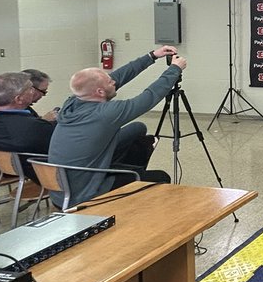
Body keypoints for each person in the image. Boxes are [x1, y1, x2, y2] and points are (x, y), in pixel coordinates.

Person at [47, 46, 185, 207]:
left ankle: (124, 172)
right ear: (99, 91)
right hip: (83, 195)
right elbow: (149, 97)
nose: (114, 81)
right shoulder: (105, 113)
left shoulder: (72, 102)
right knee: (161, 177)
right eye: (110, 82)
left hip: (61, 191)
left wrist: (152, 56)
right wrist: (174, 70)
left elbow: (118, 77)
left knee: (137, 128)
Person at [0, 72, 58, 177]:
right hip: (40, 174)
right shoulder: (32, 128)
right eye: (30, 89)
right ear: (18, 99)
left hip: (3, 167)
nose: (33, 92)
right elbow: (59, 149)